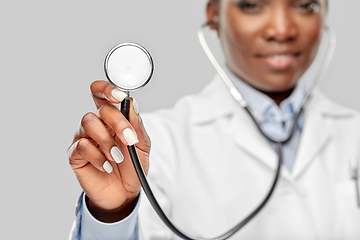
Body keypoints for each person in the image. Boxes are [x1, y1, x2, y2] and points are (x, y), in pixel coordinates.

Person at [68, 0, 360, 239]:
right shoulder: (150, 145)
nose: (281, 30)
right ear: (214, 16)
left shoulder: (353, 132)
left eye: (305, 5)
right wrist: (113, 214)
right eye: (252, 5)